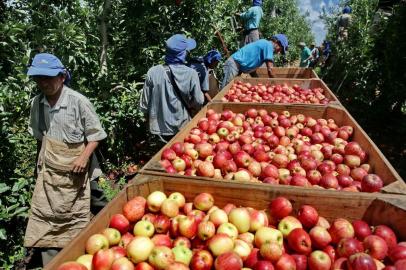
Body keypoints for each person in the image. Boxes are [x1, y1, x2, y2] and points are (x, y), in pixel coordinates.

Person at [24, 53, 107, 265]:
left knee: (98, 203)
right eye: (39, 78)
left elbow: (96, 135)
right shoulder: (37, 104)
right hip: (53, 168)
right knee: (50, 214)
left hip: (82, 167)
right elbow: (40, 139)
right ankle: (56, 260)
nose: (44, 83)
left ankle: (109, 241)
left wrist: (83, 157)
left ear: (62, 77)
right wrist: (40, 168)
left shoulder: (78, 102)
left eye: (49, 78)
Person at [140, 34, 204, 144]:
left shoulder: (153, 72)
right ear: (183, 54)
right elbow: (199, 101)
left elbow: (144, 105)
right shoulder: (191, 74)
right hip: (182, 127)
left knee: (162, 158)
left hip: (159, 130)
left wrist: (149, 121)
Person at [221, 34, 289, 89]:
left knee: (230, 91)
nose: (279, 52)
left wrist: (258, 82)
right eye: (280, 49)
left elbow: (252, 69)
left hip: (237, 67)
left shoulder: (265, 45)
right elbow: (270, 70)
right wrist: (278, 85)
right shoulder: (268, 45)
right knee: (225, 91)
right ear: (277, 43)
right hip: (234, 64)